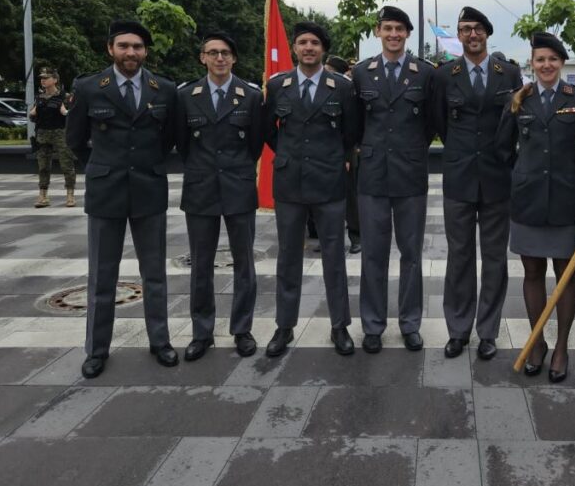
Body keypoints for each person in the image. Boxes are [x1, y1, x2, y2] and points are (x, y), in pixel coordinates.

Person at [66, 20, 179, 379]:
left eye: (138, 47)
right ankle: (97, 350)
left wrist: (142, 166)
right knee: (101, 275)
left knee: (155, 274)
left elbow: (169, 139)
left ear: (146, 52)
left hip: (148, 188)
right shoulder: (87, 88)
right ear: (110, 49)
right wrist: (103, 167)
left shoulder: (164, 89)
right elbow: (74, 140)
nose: (131, 53)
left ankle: (160, 341)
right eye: (124, 46)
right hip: (106, 191)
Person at [262, 21, 359, 357]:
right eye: (302, 42)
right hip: (289, 182)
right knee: (288, 257)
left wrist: (331, 158)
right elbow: (268, 131)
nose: (308, 48)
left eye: (314, 43)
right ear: (294, 48)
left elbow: (351, 133)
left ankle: (340, 326)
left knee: (334, 256)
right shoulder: (278, 86)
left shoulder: (341, 88)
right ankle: (284, 327)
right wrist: (291, 155)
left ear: (322, 49)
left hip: (329, 181)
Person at [497, 32, 575, 382]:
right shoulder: (519, 99)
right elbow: (502, 148)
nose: (546, 65)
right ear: (531, 64)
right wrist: (519, 179)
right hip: (529, 201)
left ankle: (562, 347)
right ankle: (537, 342)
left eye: (552, 59)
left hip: (567, 200)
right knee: (532, 274)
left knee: (566, 277)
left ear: (562, 62)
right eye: (540, 60)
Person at [431, 6, 523, 359]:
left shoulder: (509, 73)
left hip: (498, 178)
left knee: (495, 259)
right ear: (459, 34)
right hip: (459, 178)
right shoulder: (444, 76)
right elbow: (440, 122)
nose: (471, 34)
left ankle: (488, 331)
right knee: (459, 257)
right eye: (465, 29)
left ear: (487, 33)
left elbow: (516, 122)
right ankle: (458, 329)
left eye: (477, 29)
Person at [350, 6, 435, 354]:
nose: (394, 34)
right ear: (378, 32)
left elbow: (432, 123)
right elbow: (355, 126)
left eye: (400, 29)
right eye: (388, 28)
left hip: (410, 175)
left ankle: (409, 323)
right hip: (371, 176)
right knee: (373, 253)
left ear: (408, 34)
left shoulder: (425, 74)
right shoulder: (360, 73)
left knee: (411, 254)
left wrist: (410, 150)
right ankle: (372, 325)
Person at [175, 31, 264, 362]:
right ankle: (202, 332)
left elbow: (255, 144)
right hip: (200, 189)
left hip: (239, 187)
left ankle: (242, 329)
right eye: (212, 53)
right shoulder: (186, 96)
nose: (220, 58)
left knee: (245, 264)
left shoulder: (251, 96)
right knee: (201, 264)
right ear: (203, 58)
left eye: (226, 52)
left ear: (234, 58)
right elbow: (183, 144)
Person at [326, 54, 361, 254]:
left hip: (344, 152)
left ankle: (356, 237)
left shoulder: (346, 88)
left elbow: (352, 126)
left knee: (350, 198)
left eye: (329, 69)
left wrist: (348, 155)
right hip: (323, 155)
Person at [29, 68, 77, 208]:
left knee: (66, 165)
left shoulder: (65, 97)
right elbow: (33, 117)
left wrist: (65, 111)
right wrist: (33, 113)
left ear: (55, 80)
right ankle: (43, 196)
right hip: (43, 134)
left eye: (46, 78)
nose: (43, 80)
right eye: (42, 78)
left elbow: (73, 116)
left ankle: (70, 195)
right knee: (43, 166)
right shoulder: (39, 98)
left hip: (60, 133)